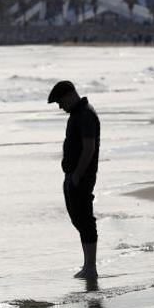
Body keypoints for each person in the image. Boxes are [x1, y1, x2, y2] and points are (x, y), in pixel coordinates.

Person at [48, 80, 100, 279]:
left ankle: (90, 267)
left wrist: (77, 175)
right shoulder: (77, 114)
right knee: (78, 219)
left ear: (70, 95)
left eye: (60, 102)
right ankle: (88, 265)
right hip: (73, 176)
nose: (60, 107)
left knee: (85, 219)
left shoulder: (85, 114)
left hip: (81, 177)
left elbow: (89, 148)